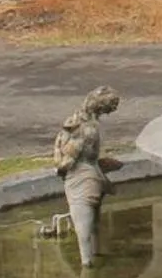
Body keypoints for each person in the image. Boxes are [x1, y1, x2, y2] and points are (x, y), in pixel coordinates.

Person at [52, 86, 121, 267]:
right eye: (109, 109)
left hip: (86, 174)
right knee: (87, 225)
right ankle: (89, 261)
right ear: (100, 107)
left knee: (86, 224)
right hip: (85, 176)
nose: (109, 112)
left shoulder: (87, 124)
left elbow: (72, 156)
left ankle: (89, 261)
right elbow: (71, 154)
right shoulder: (85, 127)